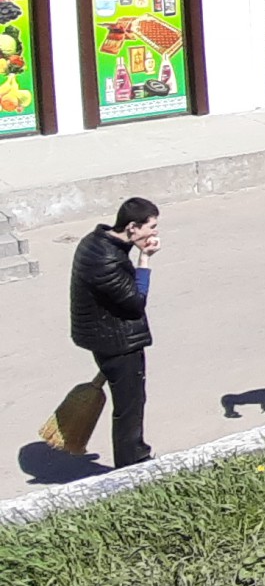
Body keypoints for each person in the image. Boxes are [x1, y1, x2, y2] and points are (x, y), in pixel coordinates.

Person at [65, 197, 160, 468]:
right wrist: (145, 259)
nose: (154, 232)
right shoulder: (107, 261)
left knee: (130, 401)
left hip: (103, 338)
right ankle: (131, 464)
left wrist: (136, 246)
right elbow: (135, 302)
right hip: (118, 343)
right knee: (130, 406)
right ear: (132, 227)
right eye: (151, 227)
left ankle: (135, 453)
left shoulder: (95, 242)